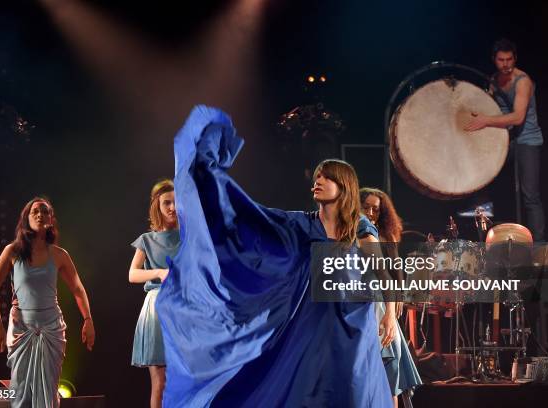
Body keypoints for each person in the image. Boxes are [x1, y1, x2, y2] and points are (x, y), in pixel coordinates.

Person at [155, 105, 392, 407]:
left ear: (343, 185)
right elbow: (252, 217)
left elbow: (386, 271)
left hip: (355, 321)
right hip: (313, 322)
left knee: (354, 387)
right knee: (310, 390)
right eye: (316, 177)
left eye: (326, 178)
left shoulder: (360, 226)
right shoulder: (302, 224)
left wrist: (391, 318)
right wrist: (210, 180)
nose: (317, 182)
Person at [0, 197, 95, 408]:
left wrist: (88, 319)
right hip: (21, 329)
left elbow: (78, 290)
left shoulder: (59, 255)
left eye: (45, 212)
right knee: (21, 391)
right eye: (35, 211)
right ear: (26, 218)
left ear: (51, 220)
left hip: (51, 327)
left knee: (49, 390)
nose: (40, 215)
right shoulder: (12, 251)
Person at [465, 38, 545, 241]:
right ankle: (486, 237)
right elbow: (490, 108)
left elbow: (518, 117)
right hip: (506, 141)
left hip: (527, 140)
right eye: (501, 60)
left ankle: (539, 247)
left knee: (530, 197)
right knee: (481, 181)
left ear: (515, 59)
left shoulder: (523, 81)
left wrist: (485, 121)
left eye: (509, 59)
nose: (506, 64)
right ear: (494, 60)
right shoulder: (494, 80)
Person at [360, 187, 422, 408]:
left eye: (375, 209)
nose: (370, 212)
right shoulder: (355, 230)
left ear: (382, 213)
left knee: (389, 372)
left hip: (379, 300)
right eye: (366, 207)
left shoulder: (385, 236)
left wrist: (396, 300)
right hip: (361, 300)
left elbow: (394, 271)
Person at [128, 180, 180, 408]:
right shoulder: (147, 240)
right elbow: (132, 274)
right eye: (167, 203)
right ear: (157, 207)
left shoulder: (191, 236)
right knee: (160, 381)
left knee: (187, 379)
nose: (172, 207)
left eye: (176, 202)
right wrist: (158, 272)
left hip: (187, 307)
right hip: (158, 308)